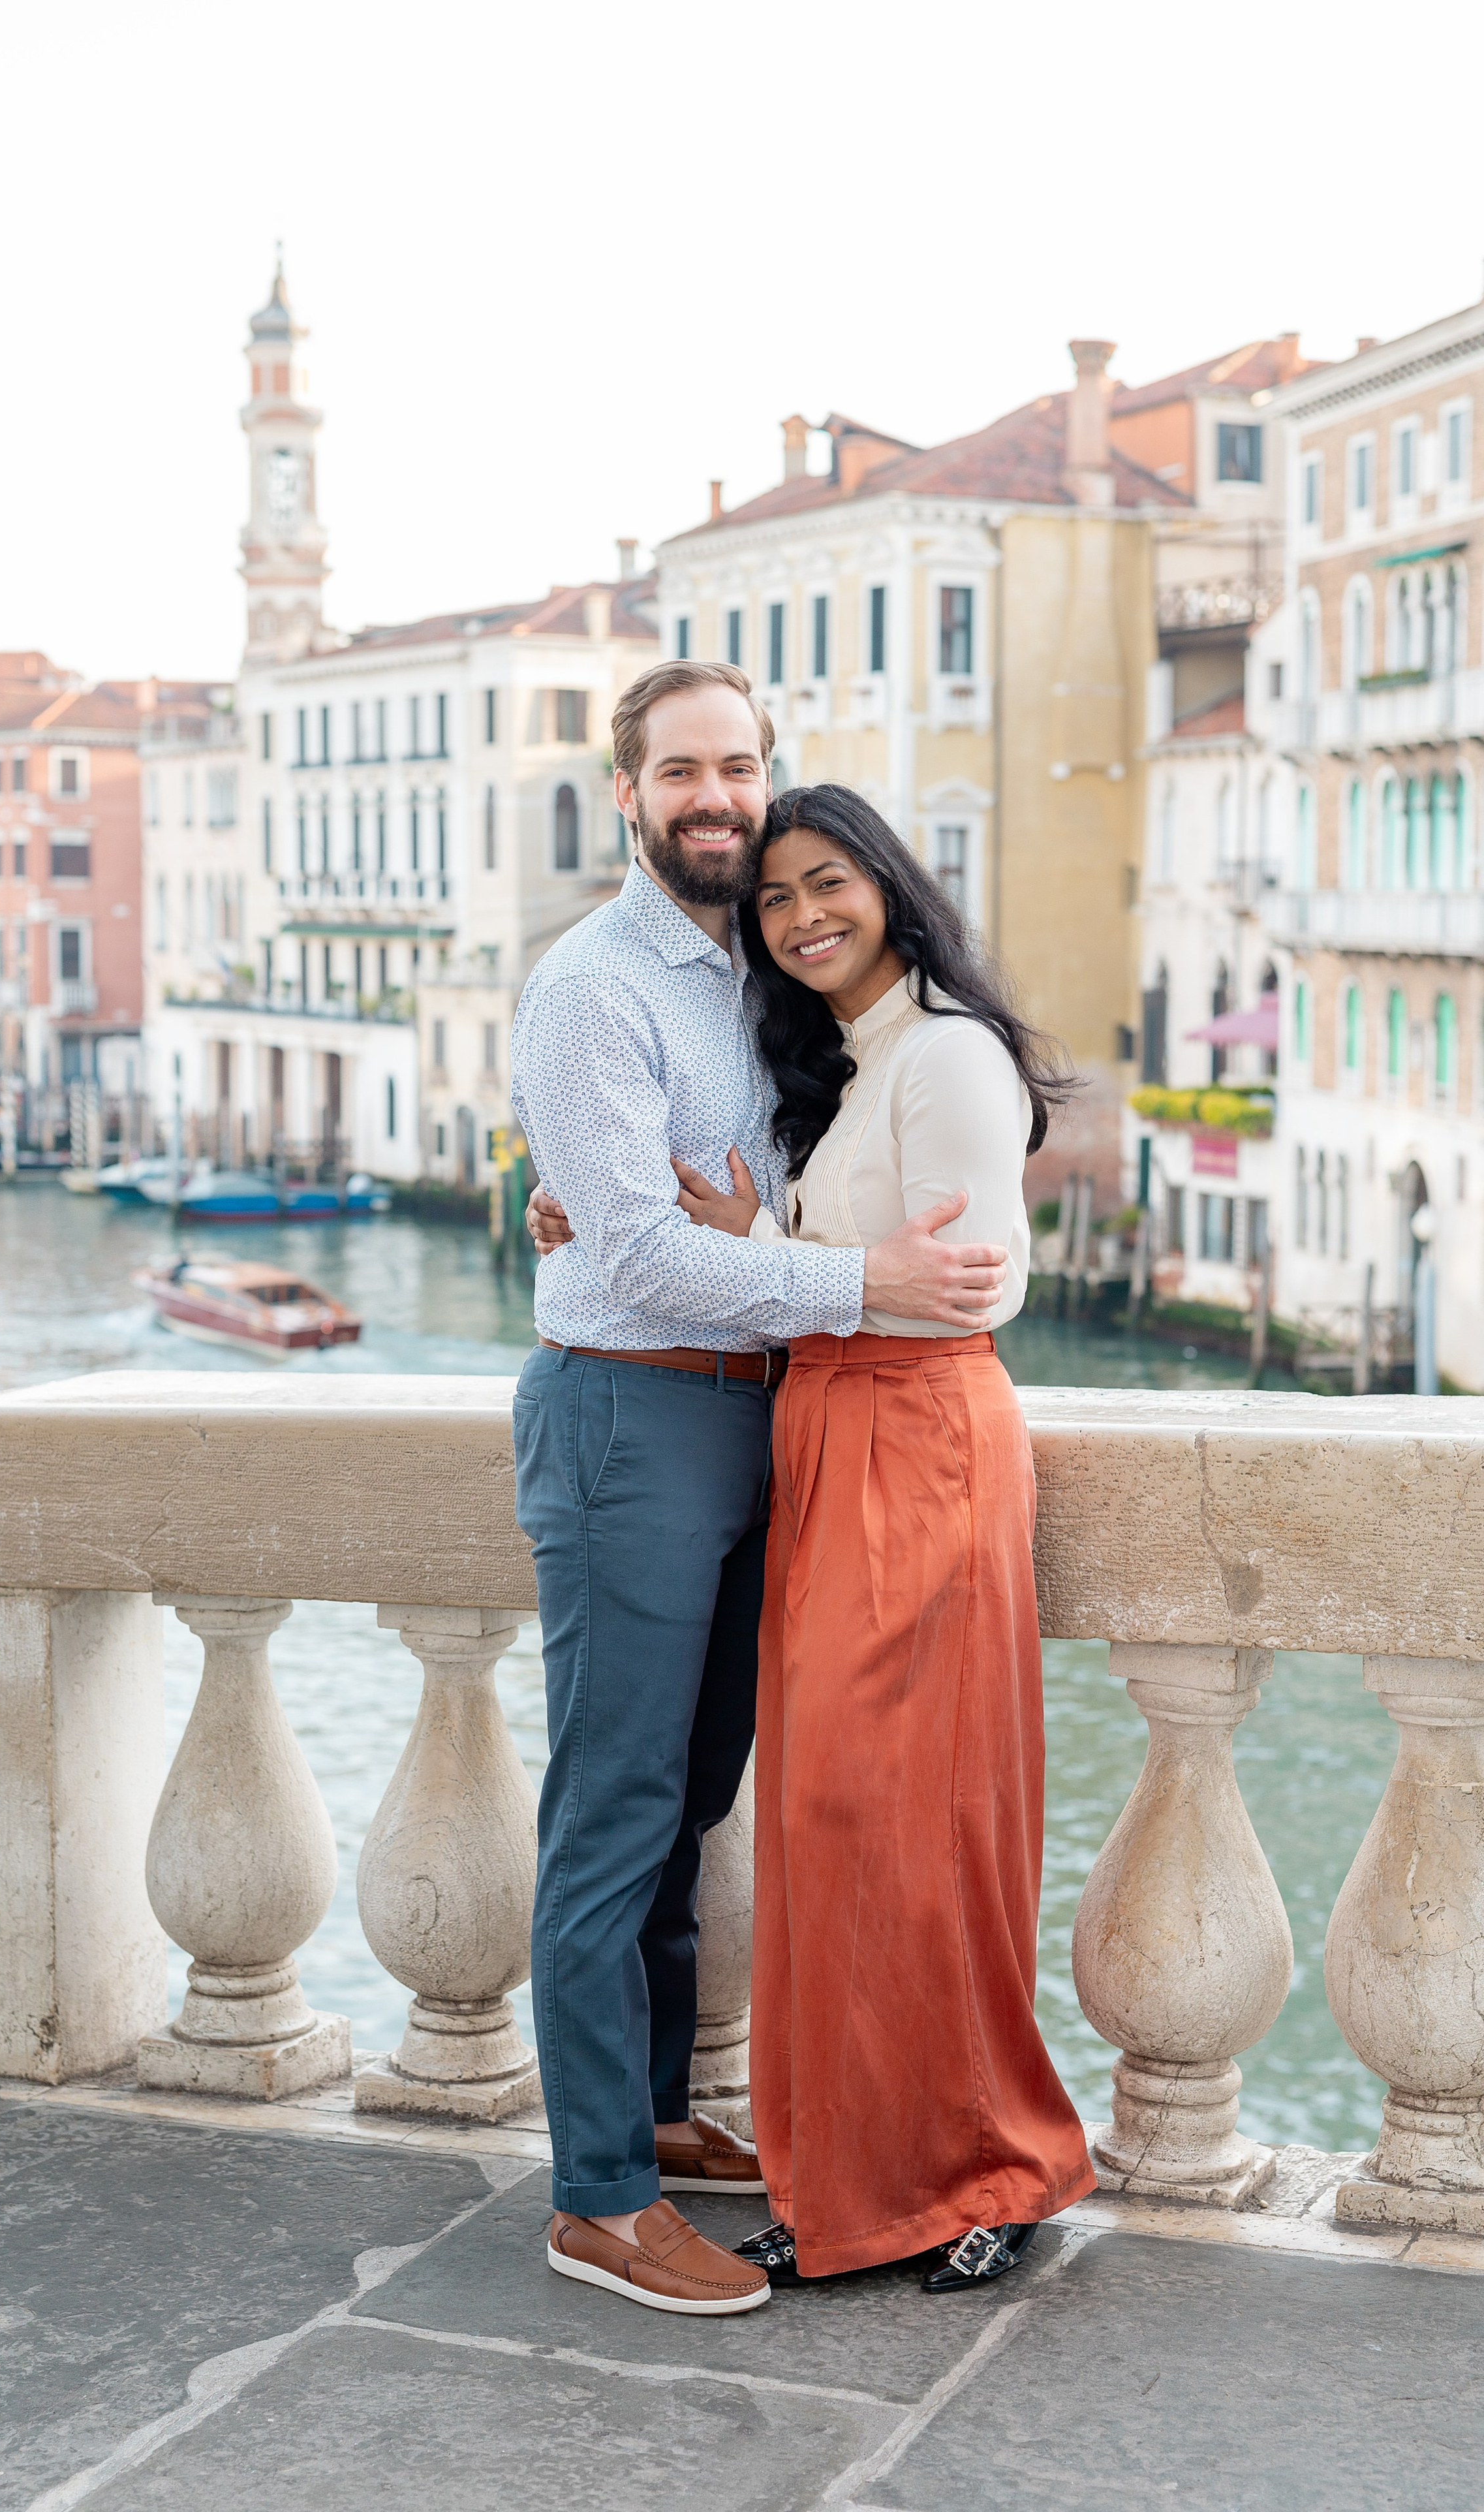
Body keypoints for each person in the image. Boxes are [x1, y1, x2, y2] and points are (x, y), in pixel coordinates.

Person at [510, 663, 1009, 2318]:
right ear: (627, 791)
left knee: (685, 1801)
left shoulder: (756, 972)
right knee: (612, 1811)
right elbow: (641, 1243)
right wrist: (846, 1276)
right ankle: (597, 2197)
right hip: (628, 1420)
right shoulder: (591, 985)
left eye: (738, 768)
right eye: (681, 773)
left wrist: (763, 1253)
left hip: (753, 1427)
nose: (715, 799)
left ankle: (650, 2114)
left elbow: (728, 1200)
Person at [669, 782, 1098, 2293]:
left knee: (912, 1824)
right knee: (824, 1826)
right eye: (774, 899)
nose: (800, 918)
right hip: (833, 1436)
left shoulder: (952, 1056)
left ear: (889, 887)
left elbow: (961, 1294)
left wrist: (761, 1257)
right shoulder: (858, 1072)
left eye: (826, 882)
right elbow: (876, 1274)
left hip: (915, 1436)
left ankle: (994, 2166)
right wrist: (784, 1261)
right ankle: (850, 2175)